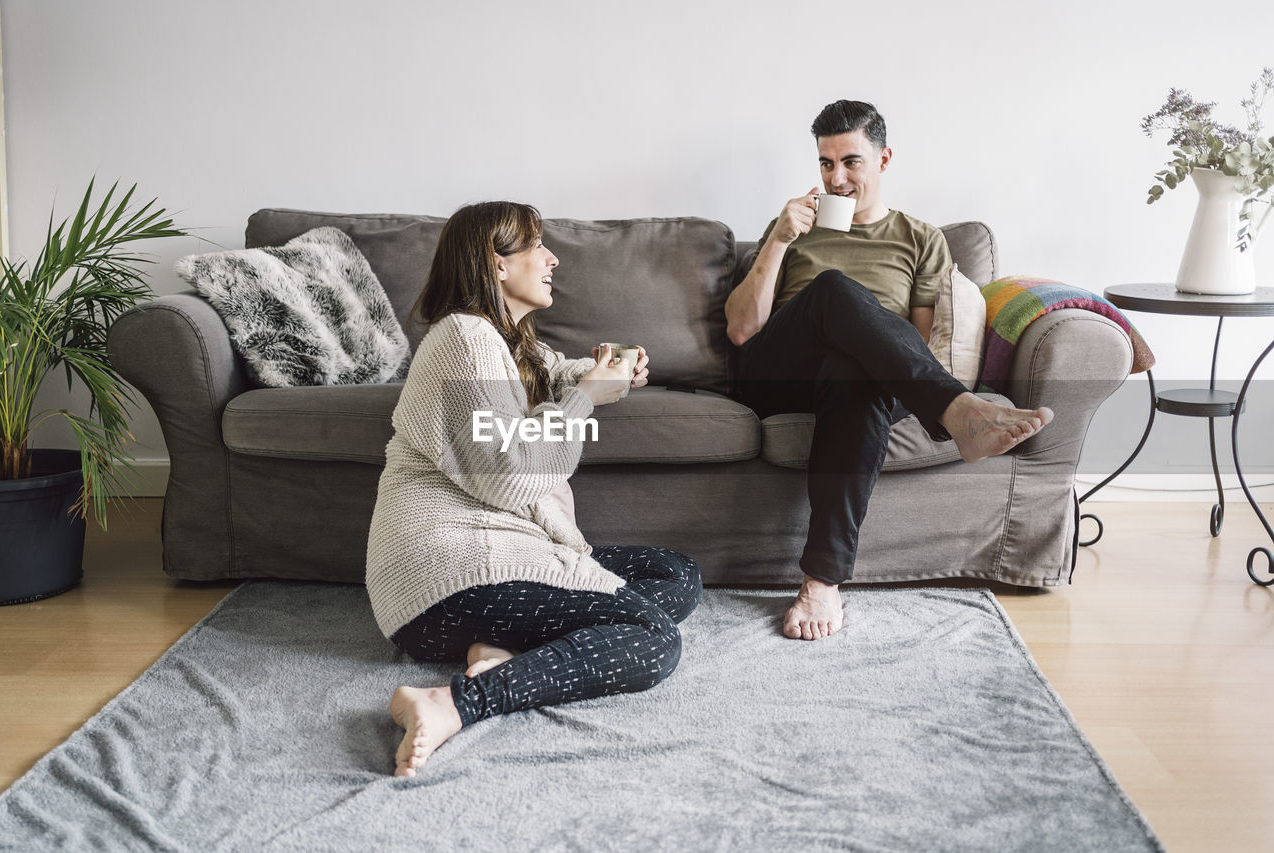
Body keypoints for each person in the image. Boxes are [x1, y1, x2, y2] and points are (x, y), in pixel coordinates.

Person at [367, 201, 701, 776]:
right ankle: (452, 703)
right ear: (496, 264)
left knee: (675, 575)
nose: (552, 259)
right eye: (537, 247)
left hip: (485, 573)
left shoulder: (503, 340)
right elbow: (508, 474)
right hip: (448, 572)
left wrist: (604, 370)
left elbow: (550, 372)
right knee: (653, 639)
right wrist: (586, 398)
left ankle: (498, 652)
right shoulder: (464, 339)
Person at [724, 100, 1054, 642]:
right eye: (826, 164)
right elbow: (741, 331)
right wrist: (780, 239)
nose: (836, 178)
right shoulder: (793, 228)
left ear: (883, 159)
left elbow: (917, 344)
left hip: (866, 381)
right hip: (779, 375)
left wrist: (863, 346)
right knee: (832, 289)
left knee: (854, 375)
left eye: (850, 162)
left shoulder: (920, 238)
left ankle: (821, 582)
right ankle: (954, 411)